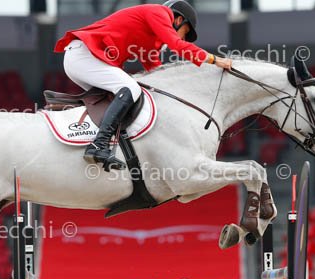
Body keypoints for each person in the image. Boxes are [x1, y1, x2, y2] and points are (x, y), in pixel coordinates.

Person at [55, 1, 233, 170]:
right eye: (185, 33)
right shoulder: (159, 12)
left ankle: (90, 141)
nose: (184, 38)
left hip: (83, 59)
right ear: (179, 20)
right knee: (131, 89)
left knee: (120, 100)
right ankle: (99, 145)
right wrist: (214, 59)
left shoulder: (149, 35)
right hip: (85, 56)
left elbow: (155, 70)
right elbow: (178, 45)